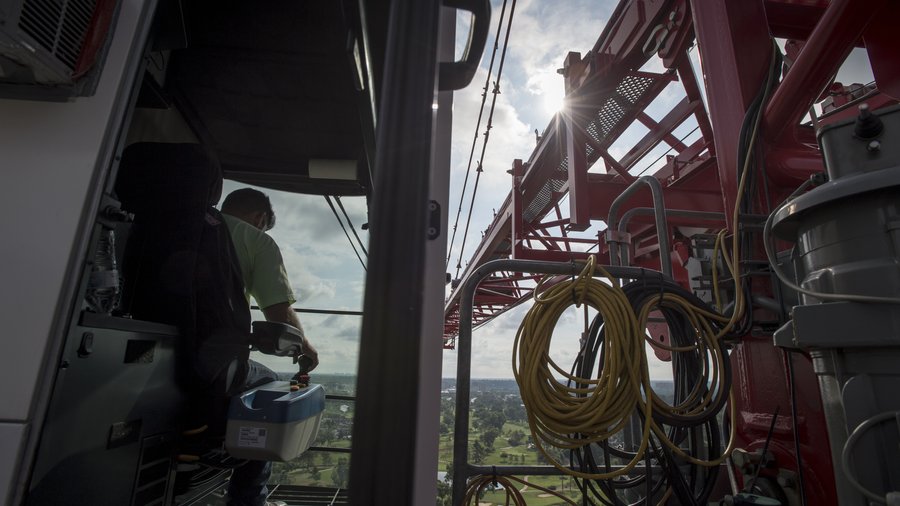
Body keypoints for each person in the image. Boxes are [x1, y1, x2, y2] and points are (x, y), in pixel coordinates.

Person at [220, 187, 319, 506]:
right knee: (267, 388)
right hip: (214, 361)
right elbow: (279, 314)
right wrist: (305, 348)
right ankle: (248, 498)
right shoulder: (255, 239)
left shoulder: (169, 226)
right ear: (259, 219)